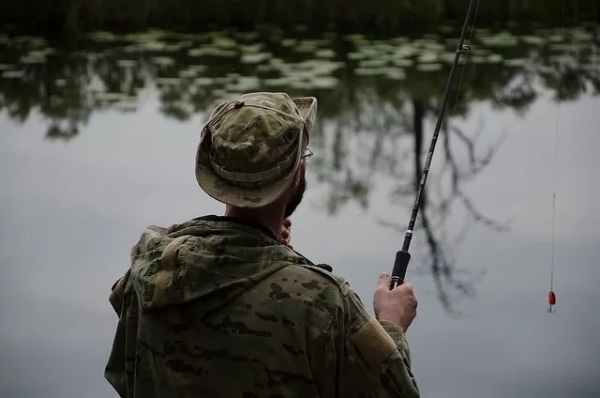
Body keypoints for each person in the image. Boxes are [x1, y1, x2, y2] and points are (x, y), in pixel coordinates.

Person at [104, 92, 420, 397]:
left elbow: (124, 378)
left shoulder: (147, 274)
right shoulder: (323, 302)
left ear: (216, 175)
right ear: (296, 174)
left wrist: (269, 252)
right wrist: (391, 325)